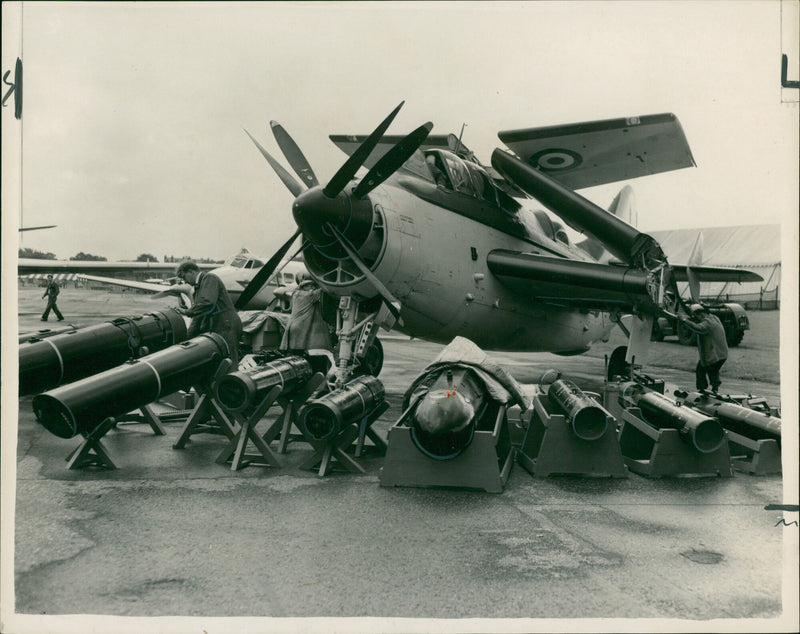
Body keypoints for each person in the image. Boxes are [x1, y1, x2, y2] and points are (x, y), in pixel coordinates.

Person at [174, 261, 243, 368]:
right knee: (220, 359)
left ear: (191, 272)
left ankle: (232, 381)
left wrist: (187, 312)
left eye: (184, 277)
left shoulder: (210, 279)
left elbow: (207, 303)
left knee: (229, 358)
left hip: (227, 325)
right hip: (219, 326)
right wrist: (187, 339)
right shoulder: (199, 287)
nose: (185, 282)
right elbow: (198, 317)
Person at [280, 272, 332, 356]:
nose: (313, 287)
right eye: (310, 286)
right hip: (301, 327)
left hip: (292, 326)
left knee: (293, 351)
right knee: (298, 353)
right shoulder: (310, 295)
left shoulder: (296, 294)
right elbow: (325, 289)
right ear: (304, 287)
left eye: (313, 286)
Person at [680, 304, 728, 392]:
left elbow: (698, 328)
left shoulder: (708, 324)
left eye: (696, 316)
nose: (697, 318)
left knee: (701, 369)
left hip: (714, 354)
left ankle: (702, 389)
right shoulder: (714, 318)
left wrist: (684, 320)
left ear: (701, 314)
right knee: (713, 370)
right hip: (722, 354)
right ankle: (715, 388)